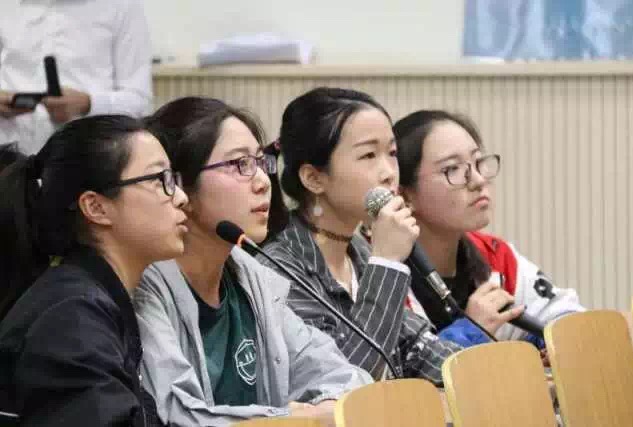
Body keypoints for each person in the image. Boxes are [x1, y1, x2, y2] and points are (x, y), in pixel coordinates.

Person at [135, 97, 371, 426]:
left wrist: (323, 408)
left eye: (260, 162)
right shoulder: (145, 287)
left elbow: (344, 375)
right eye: (239, 164)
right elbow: (174, 414)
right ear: (180, 185)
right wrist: (294, 418)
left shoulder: (253, 280)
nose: (262, 182)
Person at [260, 87, 463, 384]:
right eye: (368, 155)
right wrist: (387, 263)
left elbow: (416, 350)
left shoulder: (358, 250)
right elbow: (347, 383)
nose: (389, 173)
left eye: (392, 153)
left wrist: (495, 373)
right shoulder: (278, 271)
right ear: (314, 178)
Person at [0, 115, 188, 426]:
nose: (181, 198)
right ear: (96, 207)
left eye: (174, 179)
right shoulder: (71, 318)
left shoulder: (87, 298)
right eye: (159, 180)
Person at [394, 109, 584, 344]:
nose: (478, 180)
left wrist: (549, 343)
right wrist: (470, 333)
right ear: (404, 195)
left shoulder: (495, 255)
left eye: (477, 163)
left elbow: (565, 316)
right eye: (452, 169)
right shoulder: (382, 273)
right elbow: (391, 364)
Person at [0, 0, 152, 154]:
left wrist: (88, 104)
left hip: (88, 153)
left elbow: (139, 100)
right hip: (9, 152)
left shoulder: (123, 6)